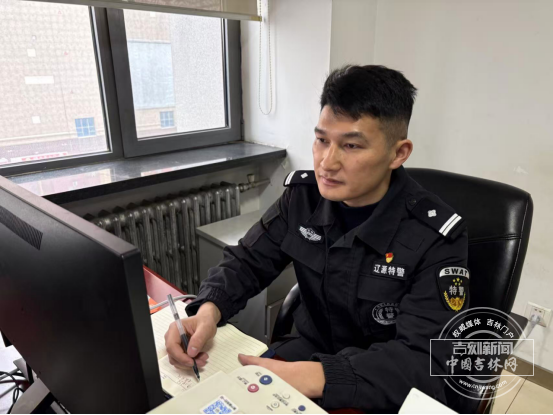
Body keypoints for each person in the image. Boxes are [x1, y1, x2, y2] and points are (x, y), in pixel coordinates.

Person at [164, 65, 470, 412]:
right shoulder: (303, 197)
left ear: (398, 153)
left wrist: (319, 376)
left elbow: (424, 361)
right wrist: (208, 309)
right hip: (307, 354)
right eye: (322, 140)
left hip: (382, 383)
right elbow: (247, 261)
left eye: (351, 145)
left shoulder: (435, 235)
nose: (327, 162)